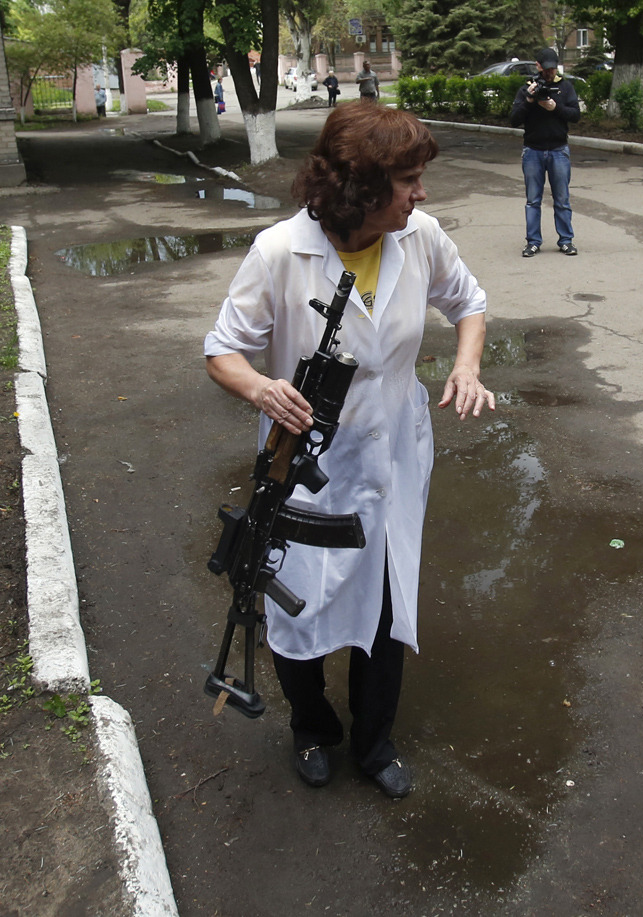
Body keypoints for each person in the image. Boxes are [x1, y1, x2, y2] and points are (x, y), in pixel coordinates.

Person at [203, 104, 496, 799]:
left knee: (387, 605)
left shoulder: (419, 237)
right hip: (300, 464)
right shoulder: (279, 251)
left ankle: (373, 742)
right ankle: (312, 727)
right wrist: (262, 390)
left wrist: (467, 365)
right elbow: (222, 350)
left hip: (392, 453)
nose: (420, 194)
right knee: (293, 603)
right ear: (361, 188)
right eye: (407, 180)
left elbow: (469, 302)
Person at [510, 47, 580, 258]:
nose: (550, 73)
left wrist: (554, 107)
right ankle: (533, 242)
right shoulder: (527, 89)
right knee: (533, 200)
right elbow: (514, 119)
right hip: (533, 151)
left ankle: (566, 240)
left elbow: (575, 115)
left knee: (562, 199)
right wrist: (530, 101)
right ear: (538, 66)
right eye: (546, 69)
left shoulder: (565, 87)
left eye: (553, 68)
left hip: (558, 150)